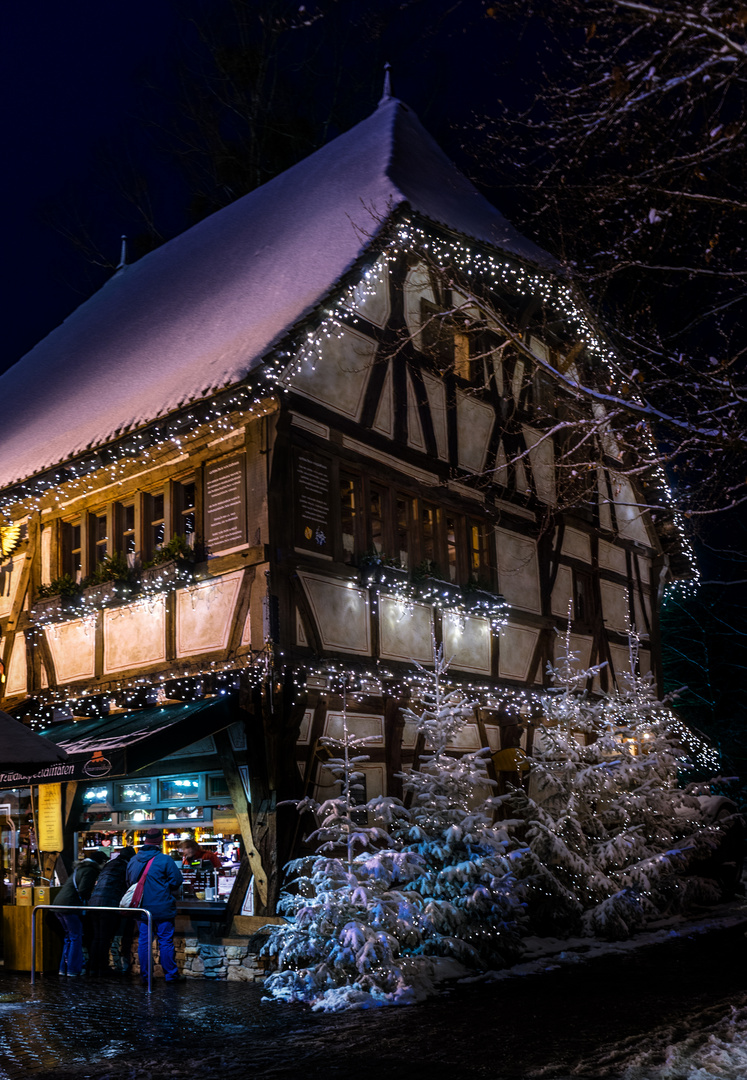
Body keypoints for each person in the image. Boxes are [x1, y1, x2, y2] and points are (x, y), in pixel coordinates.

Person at [126, 828, 184, 983]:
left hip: (141, 909)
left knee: (144, 941)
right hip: (162, 908)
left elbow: (128, 882)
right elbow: (176, 881)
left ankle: (146, 976)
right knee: (165, 941)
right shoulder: (165, 860)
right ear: (160, 841)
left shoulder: (133, 860)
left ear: (145, 841)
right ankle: (171, 976)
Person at [53, 849, 109, 977]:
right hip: (70, 906)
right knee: (75, 937)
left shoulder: (80, 868)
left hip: (59, 905)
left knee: (68, 938)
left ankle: (63, 969)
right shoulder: (90, 870)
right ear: (101, 862)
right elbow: (83, 890)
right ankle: (73, 969)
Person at [87, 846, 137, 976]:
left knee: (96, 937)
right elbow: (129, 884)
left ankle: (93, 968)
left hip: (93, 904)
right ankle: (102, 968)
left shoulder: (109, 864)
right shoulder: (126, 867)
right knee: (104, 938)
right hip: (108, 904)